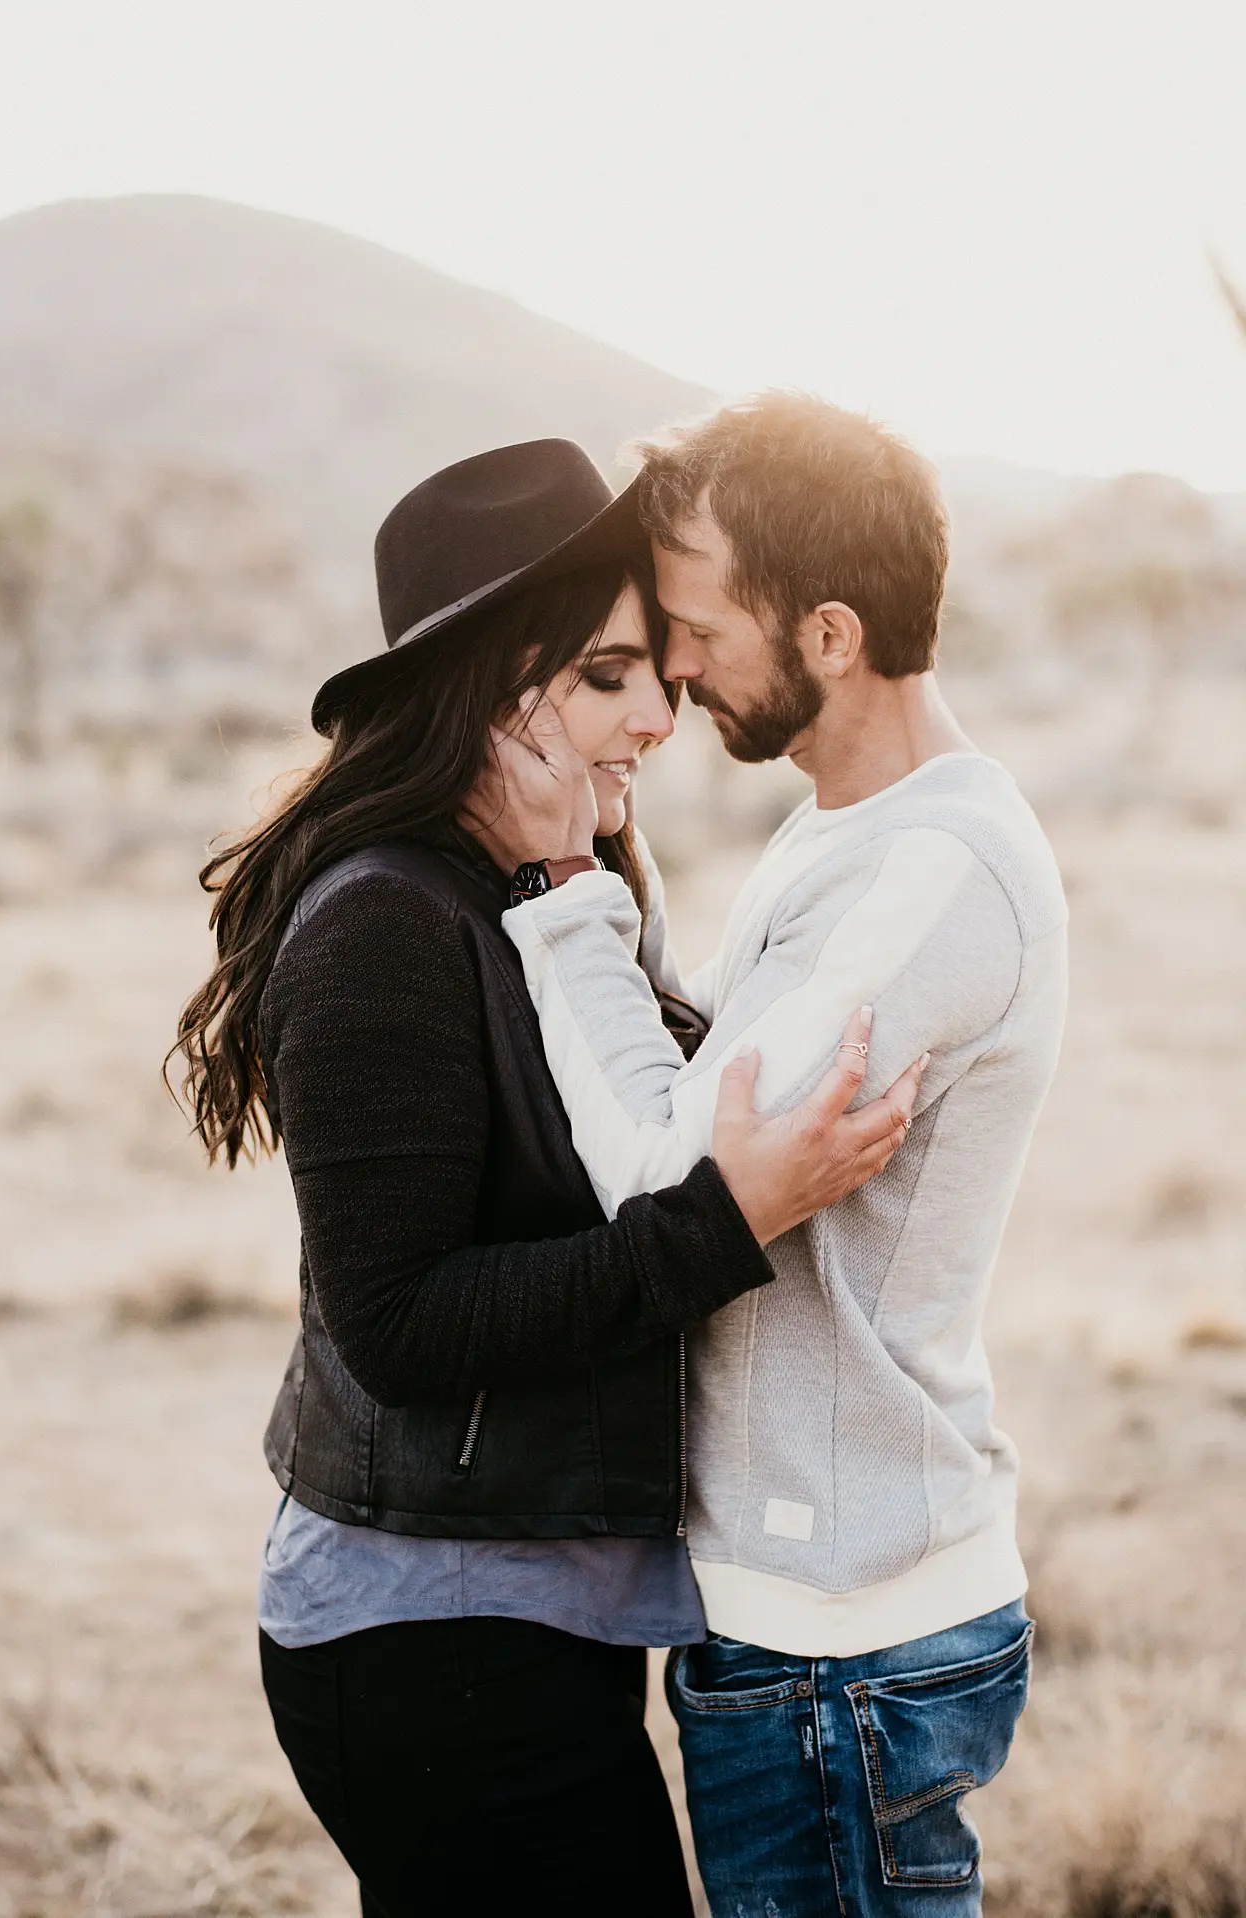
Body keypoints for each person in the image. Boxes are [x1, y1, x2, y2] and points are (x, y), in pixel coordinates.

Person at [170, 438, 923, 1918]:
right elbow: (399, 1326)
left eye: (655, 667)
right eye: (604, 674)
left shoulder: (529, 883)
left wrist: (581, 897)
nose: (660, 710)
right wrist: (727, 1223)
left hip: (515, 1623)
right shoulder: (383, 920)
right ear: (488, 693)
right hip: (431, 1645)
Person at [469, 395, 1069, 1918]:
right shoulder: (846, 830)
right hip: (814, 1607)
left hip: (843, 1632)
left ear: (826, 634)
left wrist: (556, 882)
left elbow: (670, 1179)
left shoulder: (930, 877)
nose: (672, 668)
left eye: (694, 627)